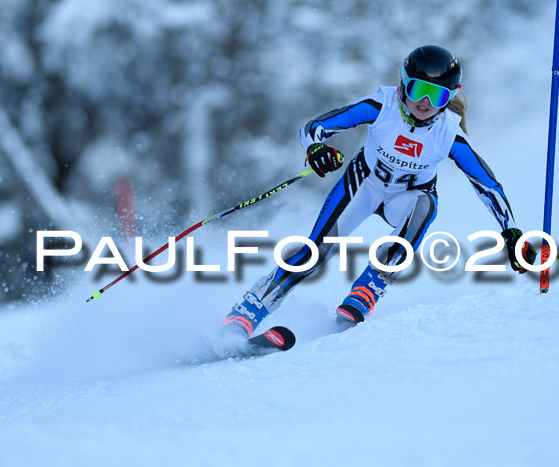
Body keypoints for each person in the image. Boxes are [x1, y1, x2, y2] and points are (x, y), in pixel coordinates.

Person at [222, 44, 537, 338]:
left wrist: (510, 232)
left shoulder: (448, 135)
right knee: (317, 251)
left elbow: (487, 184)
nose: (425, 102)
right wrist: (316, 148)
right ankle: (249, 310)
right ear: (403, 83)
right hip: (364, 186)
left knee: (425, 206)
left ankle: (369, 287)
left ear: (450, 97)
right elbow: (314, 127)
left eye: (438, 96)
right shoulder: (380, 106)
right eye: (419, 89)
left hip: (405, 198)